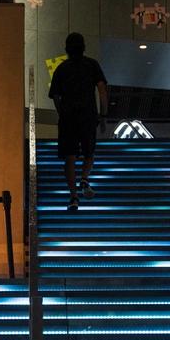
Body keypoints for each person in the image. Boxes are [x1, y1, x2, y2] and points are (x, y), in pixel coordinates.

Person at [49, 31, 109, 209]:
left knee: (69, 156)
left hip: (68, 118)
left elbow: (55, 96)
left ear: (66, 49)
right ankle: (84, 179)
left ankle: (73, 196)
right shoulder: (92, 65)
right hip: (88, 116)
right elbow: (102, 90)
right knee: (89, 152)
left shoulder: (61, 68)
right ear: (83, 47)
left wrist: (62, 113)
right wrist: (103, 115)